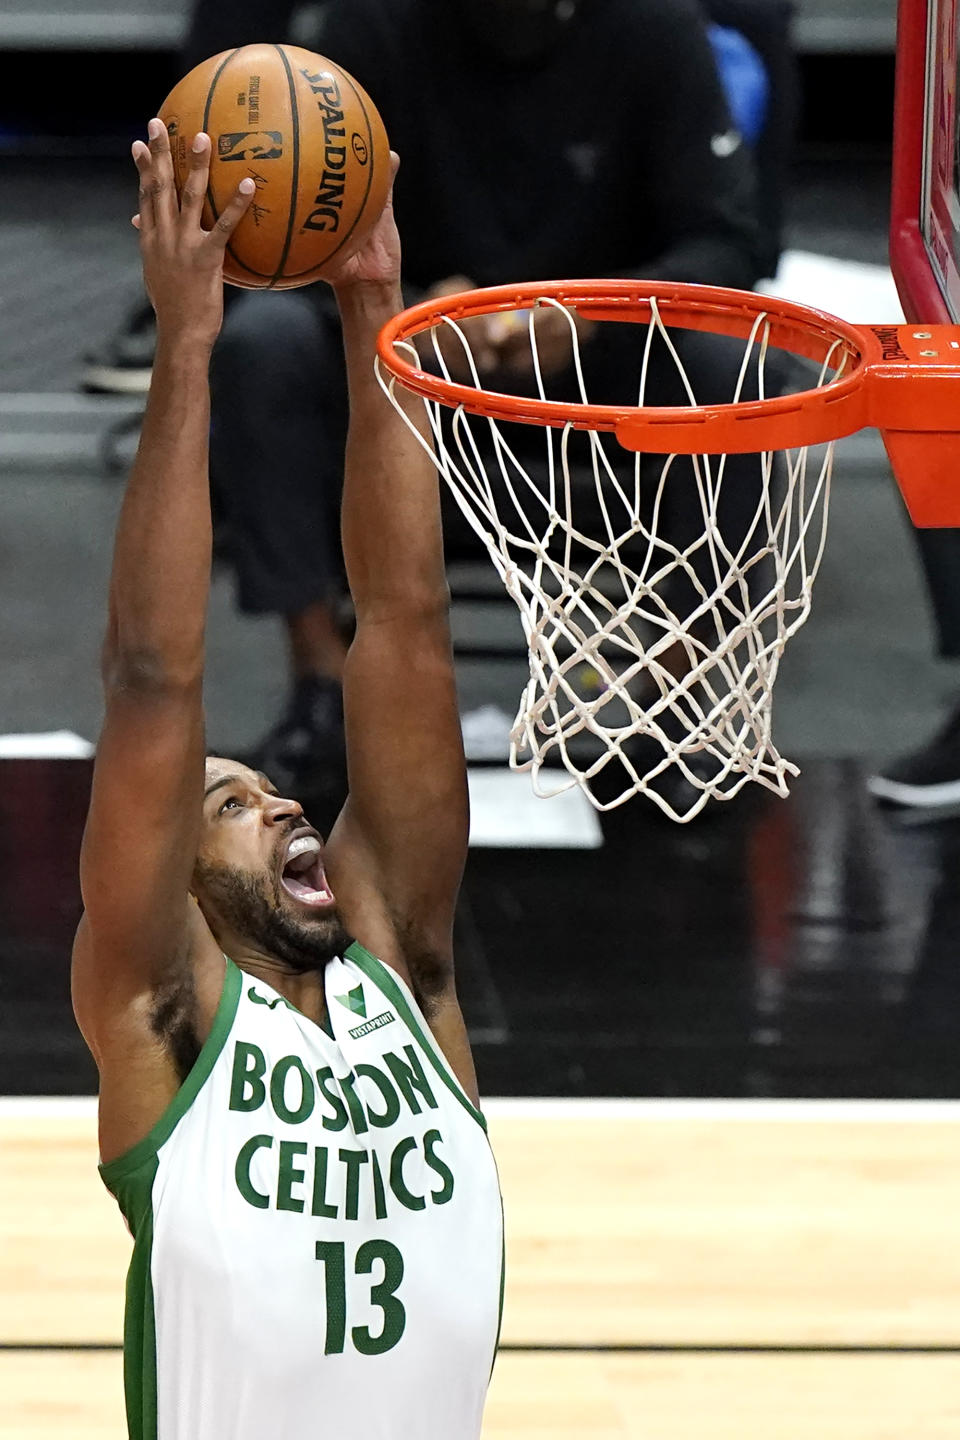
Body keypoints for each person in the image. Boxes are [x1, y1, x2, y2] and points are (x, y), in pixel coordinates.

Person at [71, 121, 503, 1440]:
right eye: (231, 807)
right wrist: (187, 349)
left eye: (269, 791)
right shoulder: (169, 1023)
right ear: (177, 892)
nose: (285, 804)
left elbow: (406, 617)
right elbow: (153, 678)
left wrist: (377, 320)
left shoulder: (403, 979)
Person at [208, 0, 769, 802]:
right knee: (265, 342)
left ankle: (669, 701)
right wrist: (393, 308)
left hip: (601, 368)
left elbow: (727, 240)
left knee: (726, 365)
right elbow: (294, 242)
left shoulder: (656, 27)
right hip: (403, 365)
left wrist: (590, 312)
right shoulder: (371, 27)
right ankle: (324, 689)